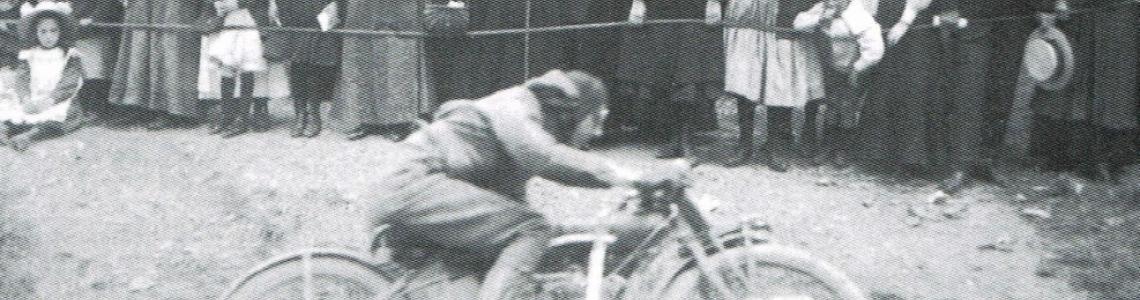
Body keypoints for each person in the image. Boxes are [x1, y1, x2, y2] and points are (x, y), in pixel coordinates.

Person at [360, 70, 688, 300]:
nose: (599, 132)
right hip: (411, 184)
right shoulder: (515, 106)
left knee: (528, 231)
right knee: (531, 229)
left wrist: (590, 233)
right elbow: (543, 157)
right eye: (597, 119)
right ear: (576, 111)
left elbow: (515, 211)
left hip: (413, 190)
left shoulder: (521, 133)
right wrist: (632, 176)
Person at [1032, 0, 1139, 182]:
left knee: (1114, 84)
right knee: (1069, 79)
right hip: (1075, 12)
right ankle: (1062, 154)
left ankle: (1105, 158)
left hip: (1120, 13)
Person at [618, 0, 724, 159]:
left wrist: (715, 1)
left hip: (695, 11)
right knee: (664, 74)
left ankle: (687, 142)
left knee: (689, 75)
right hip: (660, 9)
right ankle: (674, 140)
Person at [795, 0, 883, 167]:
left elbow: (875, 49)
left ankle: (843, 150)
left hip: (852, 69)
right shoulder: (822, 9)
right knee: (831, 106)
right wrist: (820, 19)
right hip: (831, 68)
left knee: (847, 109)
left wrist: (857, 68)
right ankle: (827, 146)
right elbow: (798, 23)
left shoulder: (858, 15)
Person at [330, 0, 430, 141]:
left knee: (397, 58)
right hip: (362, 8)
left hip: (399, 9)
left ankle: (399, 122)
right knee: (361, 57)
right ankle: (367, 119)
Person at [108, 0, 204, 129]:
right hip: (143, 8)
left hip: (174, 9)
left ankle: (174, 111)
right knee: (139, 52)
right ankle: (139, 106)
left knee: (171, 54)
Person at [0, 6, 84, 151]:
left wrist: (50, 100)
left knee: (57, 117)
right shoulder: (29, 54)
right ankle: (4, 131)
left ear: (60, 32)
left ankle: (29, 136)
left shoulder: (69, 55)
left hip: (56, 98)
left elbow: (70, 82)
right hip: (32, 96)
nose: (48, 36)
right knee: (14, 112)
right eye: (43, 32)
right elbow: (22, 78)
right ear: (36, 33)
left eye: (53, 31)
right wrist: (26, 99)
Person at [722, 0, 781, 170]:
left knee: (774, 83)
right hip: (742, 17)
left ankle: (773, 146)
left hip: (775, 18)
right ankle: (744, 145)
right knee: (744, 82)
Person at [198, 0, 270, 138]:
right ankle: (227, 115)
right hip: (226, 20)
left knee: (246, 67)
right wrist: (217, 4)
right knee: (226, 66)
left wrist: (239, 4)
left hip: (248, 18)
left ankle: (242, 118)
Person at [276, 0, 342, 138]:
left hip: (320, 10)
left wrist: (335, 4)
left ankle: (313, 115)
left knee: (315, 66)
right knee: (297, 66)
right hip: (295, 10)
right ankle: (300, 115)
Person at [70, 0, 123, 122]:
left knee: (98, 72)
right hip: (79, 33)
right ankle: (85, 108)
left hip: (98, 33)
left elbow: (110, 5)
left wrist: (94, 19)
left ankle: (97, 109)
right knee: (83, 73)